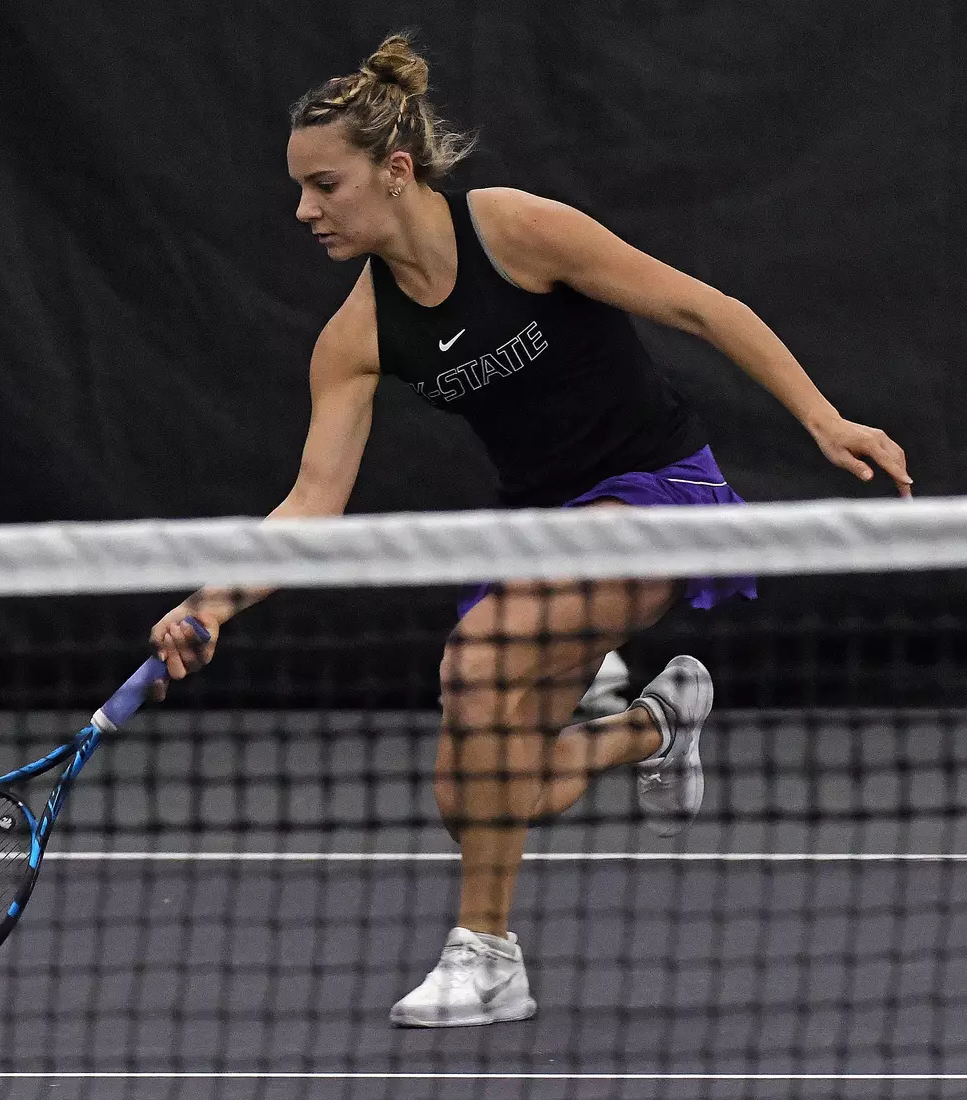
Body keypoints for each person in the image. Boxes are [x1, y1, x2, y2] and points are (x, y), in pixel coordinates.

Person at [150, 33, 912, 1029]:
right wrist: (210, 600)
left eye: (324, 184)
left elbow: (699, 305)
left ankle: (489, 956)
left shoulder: (511, 229)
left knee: (475, 661)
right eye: (300, 189)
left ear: (395, 169)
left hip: (656, 493)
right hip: (543, 535)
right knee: (479, 796)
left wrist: (823, 417)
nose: (304, 209)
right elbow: (309, 503)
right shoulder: (358, 335)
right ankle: (654, 723)